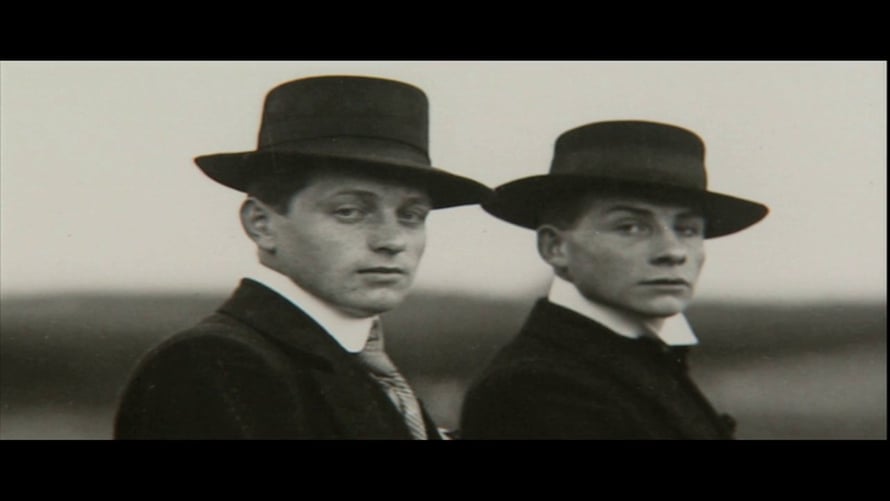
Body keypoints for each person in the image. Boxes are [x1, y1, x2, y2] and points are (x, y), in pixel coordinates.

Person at [114, 75, 491, 439]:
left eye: (411, 216)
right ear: (261, 224)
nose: (392, 240)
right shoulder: (216, 365)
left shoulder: (356, 361)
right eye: (349, 211)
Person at [459, 120, 769, 439]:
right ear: (555, 248)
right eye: (630, 227)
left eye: (687, 229)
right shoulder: (536, 389)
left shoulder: (647, 358)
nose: (673, 252)